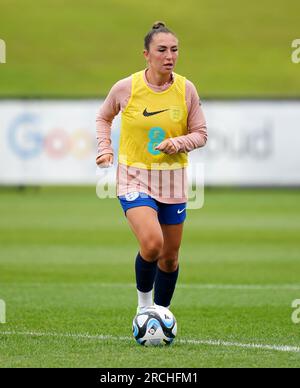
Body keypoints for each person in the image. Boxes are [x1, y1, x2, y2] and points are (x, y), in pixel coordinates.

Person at [96, 21, 207, 313]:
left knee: (169, 258)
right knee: (152, 243)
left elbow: (201, 134)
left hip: (173, 181)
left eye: (174, 50)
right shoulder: (126, 87)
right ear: (146, 54)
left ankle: (161, 312)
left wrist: (179, 143)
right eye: (162, 50)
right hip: (134, 177)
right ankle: (144, 309)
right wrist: (105, 148)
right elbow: (103, 117)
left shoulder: (186, 89)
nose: (169, 56)